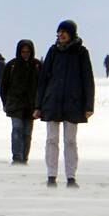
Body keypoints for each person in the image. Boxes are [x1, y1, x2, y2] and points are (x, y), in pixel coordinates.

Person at [36, 20, 95, 188]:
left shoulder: (81, 52)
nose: (60, 35)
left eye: (64, 32)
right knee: (51, 139)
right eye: (59, 32)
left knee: (70, 141)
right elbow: (43, 80)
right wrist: (38, 105)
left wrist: (89, 106)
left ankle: (71, 177)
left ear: (71, 33)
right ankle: (51, 176)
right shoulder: (53, 51)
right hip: (52, 102)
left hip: (73, 103)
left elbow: (87, 80)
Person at [0, 39, 40, 164]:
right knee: (17, 129)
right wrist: (5, 103)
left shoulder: (37, 66)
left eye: (27, 52)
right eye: (23, 52)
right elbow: (3, 87)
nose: (25, 54)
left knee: (27, 133)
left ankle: (24, 158)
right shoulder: (12, 65)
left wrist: (39, 105)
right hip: (15, 104)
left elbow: (42, 86)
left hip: (31, 106)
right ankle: (17, 157)